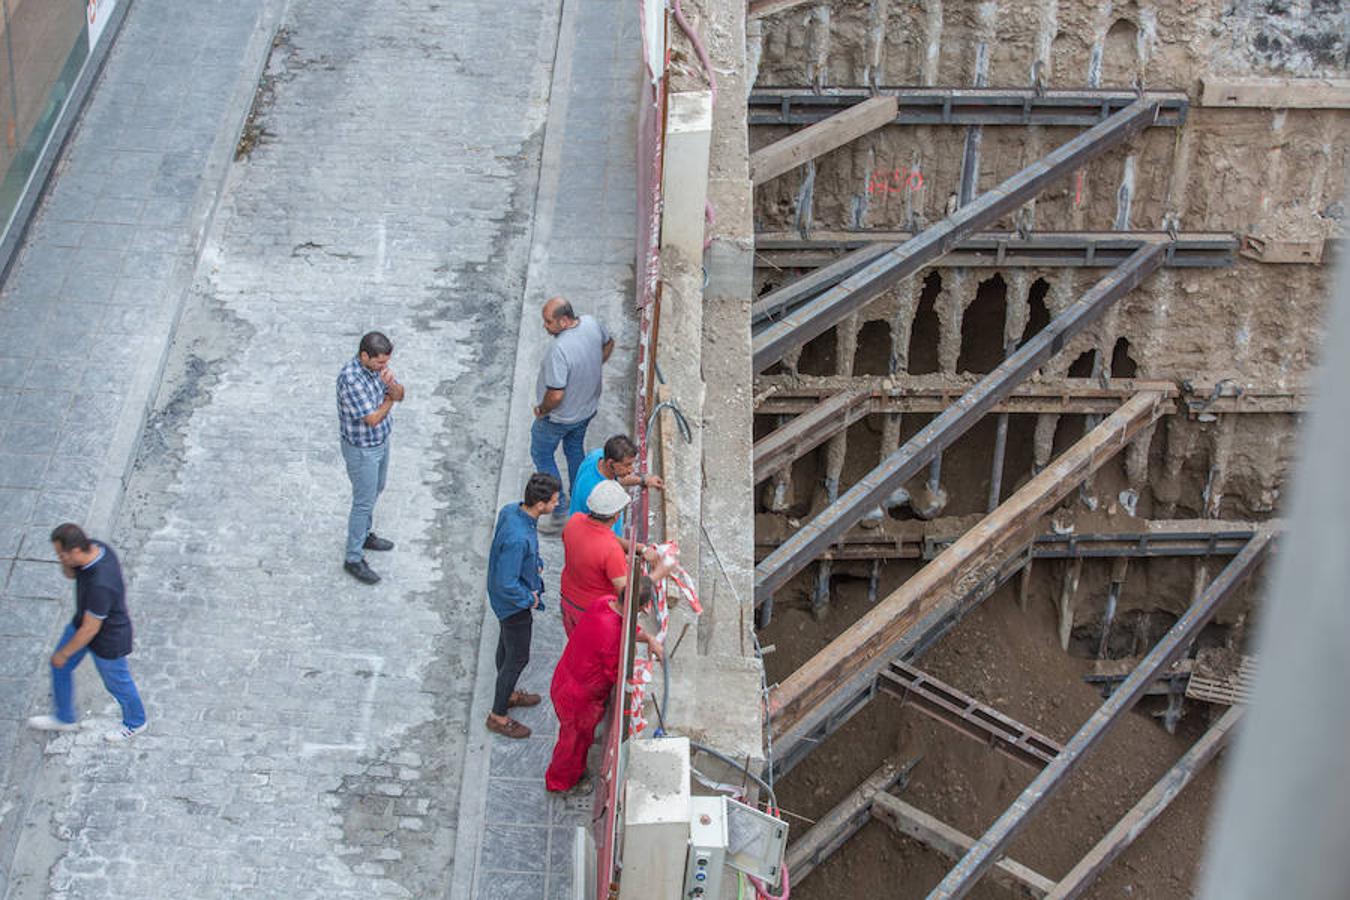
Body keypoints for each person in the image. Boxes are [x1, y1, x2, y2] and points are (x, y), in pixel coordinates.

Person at [545, 575, 667, 793]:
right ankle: (560, 782)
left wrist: (648, 638)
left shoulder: (604, 603)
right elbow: (616, 675)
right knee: (572, 743)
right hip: (578, 698)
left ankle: (569, 772)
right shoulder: (612, 635)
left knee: (575, 739)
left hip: (566, 678)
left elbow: (626, 627)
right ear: (641, 608)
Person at [27, 524, 148, 743]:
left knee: (117, 684)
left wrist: (64, 653)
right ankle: (65, 718)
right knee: (59, 667)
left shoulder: (101, 585)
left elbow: (91, 629)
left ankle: (136, 722)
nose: (59, 558)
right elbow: (72, 575)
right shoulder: (96, 549)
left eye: (61, 554)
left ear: (75, 551)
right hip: (82, 623)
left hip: (108, 641)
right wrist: (66, 564)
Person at [485, 472, 561, 739]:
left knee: (506, 647)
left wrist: (533, 563)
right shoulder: (520, 537)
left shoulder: (511, 511)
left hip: (503, 600)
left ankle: (509, 693)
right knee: (518, 657)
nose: (557, 504)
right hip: (513, 604)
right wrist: (530, 598)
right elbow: (508, 581)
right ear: (540, 504)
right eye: (554, 501)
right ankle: (498, 714)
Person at [531, 297, 614, 529]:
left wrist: (541, 410)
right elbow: (609, 344)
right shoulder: (590, 323)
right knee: (574, 450)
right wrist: (594, 366)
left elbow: (555, 395)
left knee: (542, 453)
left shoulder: (559, 350)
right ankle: (582, 501)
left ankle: (558, 508)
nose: (545, 326)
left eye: (548, 322)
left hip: (559, 417)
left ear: (565, 321)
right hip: (586, 409)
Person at [336, 331, 405, 585]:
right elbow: (373, 419)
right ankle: (353, 557)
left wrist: (392, 386)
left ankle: (364, 533)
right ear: (364, 356)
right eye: (379, 363)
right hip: (362, 449)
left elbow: (401, 394)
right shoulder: (351, 380)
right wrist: (389, 398)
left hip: (380, 442)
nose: (383, 367)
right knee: (363, 501)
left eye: (386, 363)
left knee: (378, 487)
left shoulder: (378, 369)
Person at [559, 479, 661, 635]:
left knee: (575, 647)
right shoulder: (611, 550)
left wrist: (639, 548)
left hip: (568, 603)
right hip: (593, 613)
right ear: (615, 516)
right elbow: (628, 595)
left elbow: (602, 539)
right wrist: (658, 573)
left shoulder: (575, 520)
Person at [569, 434, 665, 544]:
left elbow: (616, 478)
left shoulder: (598, 456)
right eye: (627, 465)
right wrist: (641, 549)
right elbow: (607, 537)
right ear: (610, 463)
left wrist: (643, 480)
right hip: (589, 541)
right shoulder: (597, 493)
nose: (631, 470)